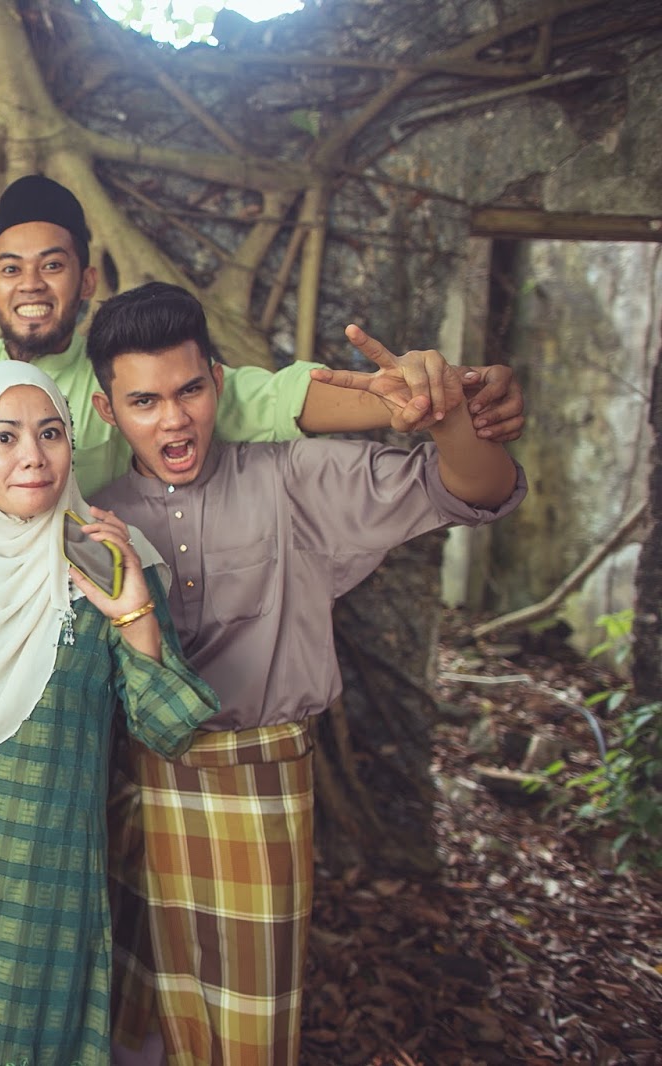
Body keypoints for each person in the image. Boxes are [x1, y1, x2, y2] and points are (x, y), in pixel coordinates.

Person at [85, 283, 526, 1065]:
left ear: (219, 383)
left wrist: (451, 415)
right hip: (137, 789)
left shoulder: (293, 480)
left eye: (190, 391)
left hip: (261, 791)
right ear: (106, 410)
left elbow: (474, 490)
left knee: (248, 1029)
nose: (174, 419)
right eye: (144, 401)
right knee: (137, 1018)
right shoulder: (96, 518)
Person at [0, 176, 526, 497]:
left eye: (53, 265)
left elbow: (277, 398)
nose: (31, 284)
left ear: (88, 278)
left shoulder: (137, 376)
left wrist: (406, 398)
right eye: (11, 268)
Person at [0, 361, 218, 1066]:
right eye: (4, 437)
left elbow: (168, 727)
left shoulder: (104, 557)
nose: (33, 456)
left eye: (51, 433)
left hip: (40, 871)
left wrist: (133, 613)